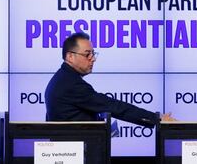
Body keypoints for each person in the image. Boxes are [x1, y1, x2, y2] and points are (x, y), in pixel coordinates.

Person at [45, 32, 174, 127]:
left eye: (93, 53)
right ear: (70, 56)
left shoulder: (63, 78)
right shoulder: (70, 84)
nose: (93, 59)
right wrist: (157, 119)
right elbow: (115, 107)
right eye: (87, 54)